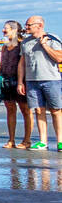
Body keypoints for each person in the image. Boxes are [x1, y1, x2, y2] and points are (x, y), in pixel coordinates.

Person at [17, 14, 62, 151]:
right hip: (32, 81)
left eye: (29, 25)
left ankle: (60, 141)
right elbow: (22, 63)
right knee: (38, 110)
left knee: (56, 110)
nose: (26, 27)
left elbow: (59, 58)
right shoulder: (25, 42)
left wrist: (45, 46)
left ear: (40, 25)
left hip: (51, 79)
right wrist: (20, 82)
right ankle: (43, 141)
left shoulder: (52, 39)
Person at [0, 20, 29, 149]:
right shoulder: (4, 47)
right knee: (10, 110)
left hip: (20, 80)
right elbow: (1, 64)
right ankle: (11, 140)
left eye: (6, 29)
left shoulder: (22, 45)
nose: (3, 31)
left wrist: (22, 82)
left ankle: (27, 140)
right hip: (6, 80)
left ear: (15, 30)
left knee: (25, 110)